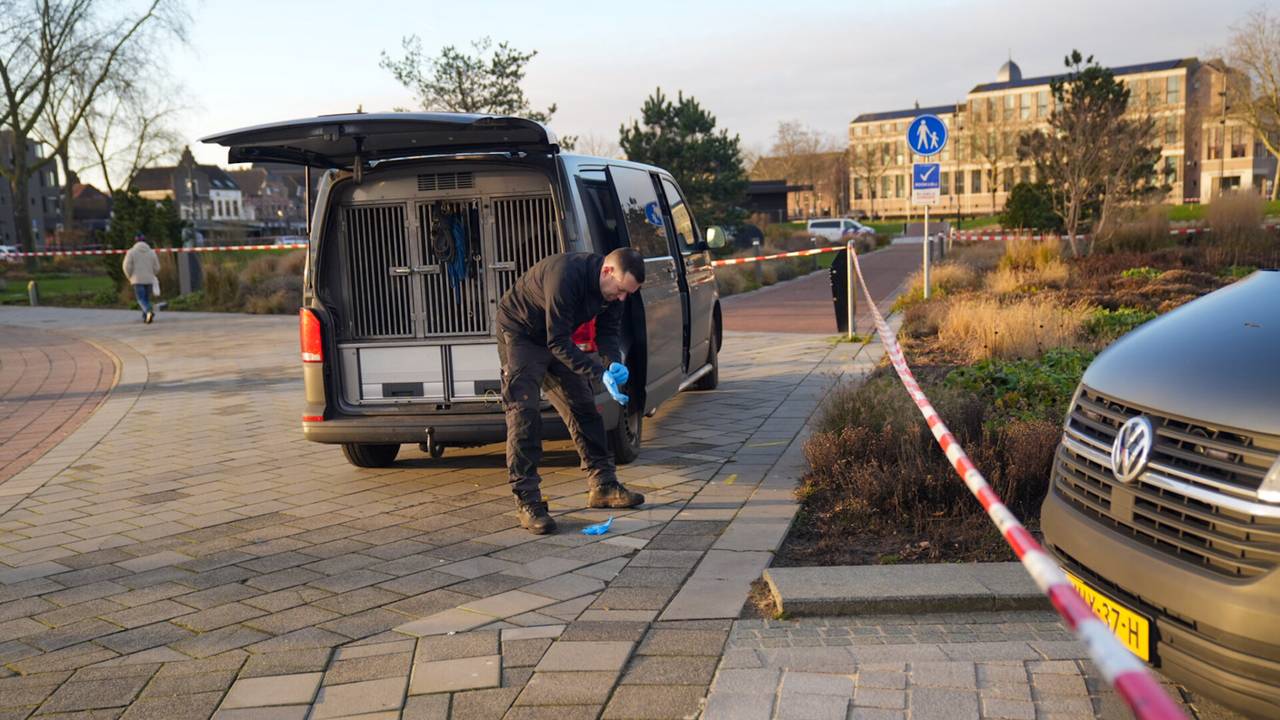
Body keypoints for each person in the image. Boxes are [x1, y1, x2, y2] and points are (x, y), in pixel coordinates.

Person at [496, 247, 647, 534]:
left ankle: (603, 484)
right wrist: (598, 373)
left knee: (584, 406)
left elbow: (608, 332)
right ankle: (527, 501)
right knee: (524, 414)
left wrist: (613, 363)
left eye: (628, 293)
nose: (622, 298)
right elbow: (558, 343)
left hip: (556, 337)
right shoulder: (566, 275)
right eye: (620, 290)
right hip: (521, 332)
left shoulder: (615, 291)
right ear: (607, 271)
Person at [122, 234, 160, 324]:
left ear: (135, 241)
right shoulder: (151, 252)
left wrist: (129, 276)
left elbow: (126, 266)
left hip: (137, 279)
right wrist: (152, 274)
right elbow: (157, 267)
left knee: (140, 299)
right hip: (149, 279)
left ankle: (148, 312)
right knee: (146, 299)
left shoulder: (131, 252)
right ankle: (146, 317)